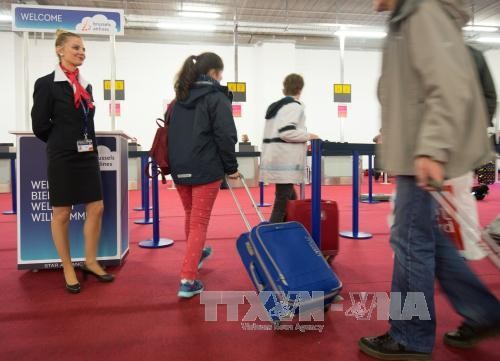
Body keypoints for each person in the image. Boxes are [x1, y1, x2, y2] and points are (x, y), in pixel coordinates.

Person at [359, 1, 500, 360]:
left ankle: (410, 334)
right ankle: (483, 312)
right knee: (425, 240)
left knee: (410, 242)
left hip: (419, 151)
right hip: (411, 149)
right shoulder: (405, 19)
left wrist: (432, 149)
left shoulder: (422, 12)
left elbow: (449, 85)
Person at [31, 30, 113, 294]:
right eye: (76, 47)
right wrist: (61, 141)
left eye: (84, 49)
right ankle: (67, 265)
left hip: (87, 153)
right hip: (63, 155)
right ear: (60, 50)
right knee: (62, 213)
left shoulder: (86, 85)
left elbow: (87, 120)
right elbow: (40, 125)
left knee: (97, 207)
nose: (81, 52)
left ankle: (90, 261)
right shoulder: (46, 84)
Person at [168, 52, 239, 298]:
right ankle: (188, 279)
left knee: (191, 215)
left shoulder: (177, 100)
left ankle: (195, 255)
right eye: (221, 73)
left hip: (179, 168)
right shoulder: (216, 98)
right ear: (214, 73)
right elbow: (226, 134)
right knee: (199, 222)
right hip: (205, 167)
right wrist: (231, 167)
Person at [259, 74, 319, 223]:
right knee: (282, 203)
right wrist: (309, 135)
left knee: (289, 197)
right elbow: (287, 132)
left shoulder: (275, 107)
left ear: (284, 88)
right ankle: (272, 235)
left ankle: (287, 229)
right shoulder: (294, 106)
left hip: (275, 159)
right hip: (285, 162)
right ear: (300, 88)